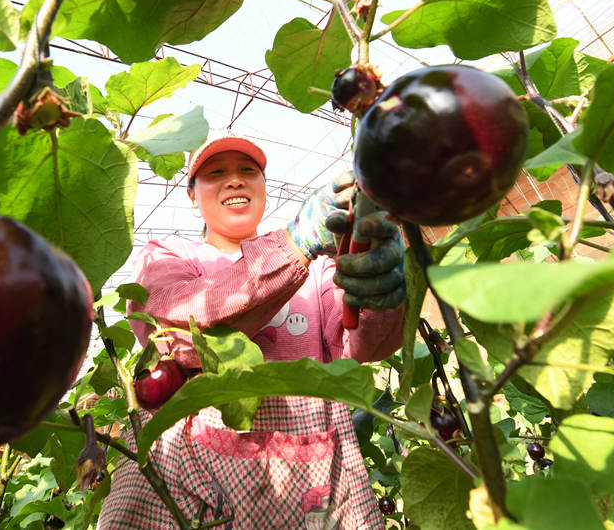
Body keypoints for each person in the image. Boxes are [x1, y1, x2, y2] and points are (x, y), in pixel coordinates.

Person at [98, 134, 406, 529]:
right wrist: (292, 247)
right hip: (186, 478)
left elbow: (361, 344)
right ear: (192, 196)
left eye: (248, 171)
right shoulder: (170, 255)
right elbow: (175, 328)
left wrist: (381, 291)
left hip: (304, 475)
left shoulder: (317, 269)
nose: (235, 180)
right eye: (215, 173)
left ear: (264, 187)